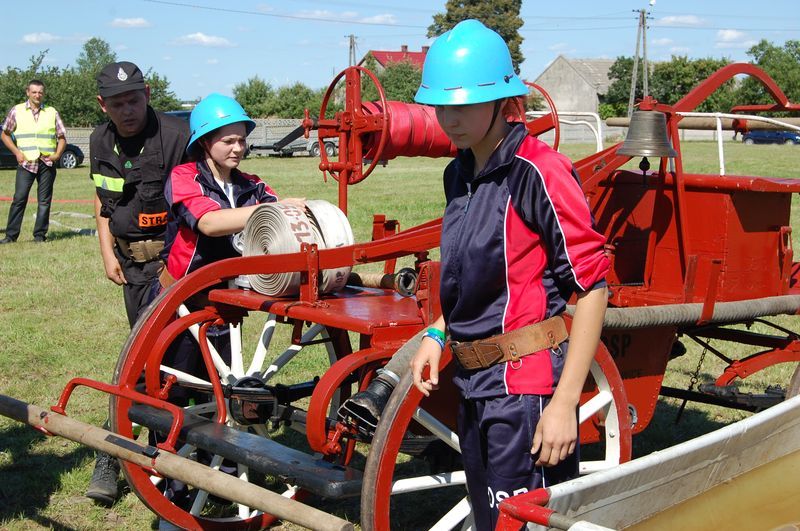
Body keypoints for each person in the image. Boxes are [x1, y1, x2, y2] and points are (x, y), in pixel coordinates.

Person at [407, 20, 610, 530]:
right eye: (441, 105)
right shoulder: (459, 174)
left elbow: (590, 287)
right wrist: (437, 330)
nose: (449, 119)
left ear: (502, 102)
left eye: (464, 105)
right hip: (473, 380)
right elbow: (464, 273)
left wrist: (565, 403)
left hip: (524, 389)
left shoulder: (539, 172)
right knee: (488, 520)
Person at [85, 60, 190, 506]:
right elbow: (104, 200)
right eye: (117, 103)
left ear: (147, 93)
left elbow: (195, 202)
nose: (127, 110)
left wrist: (175, 272)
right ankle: (139, 449)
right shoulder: (99, 139)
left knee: (164, 360)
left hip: (175, 266)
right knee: (146, 358)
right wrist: (107, 252)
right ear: (102, 104)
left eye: (133, 99)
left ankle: (126, 453)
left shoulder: (176, 136)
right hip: (133, 269)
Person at [0, 79, 66, 244]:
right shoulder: (17, 111)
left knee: (44, 201)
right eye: (34, 92)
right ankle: (10, 236)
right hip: (26, 162)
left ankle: (39, 236)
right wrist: (16, 152)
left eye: (40, 92)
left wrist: (57, 155)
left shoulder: (52, 112)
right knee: (19, 199)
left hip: (46, 162)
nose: (37, 95)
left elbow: (62, 137)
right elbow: (4, 134)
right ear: (28, 93)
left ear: (43, 94)